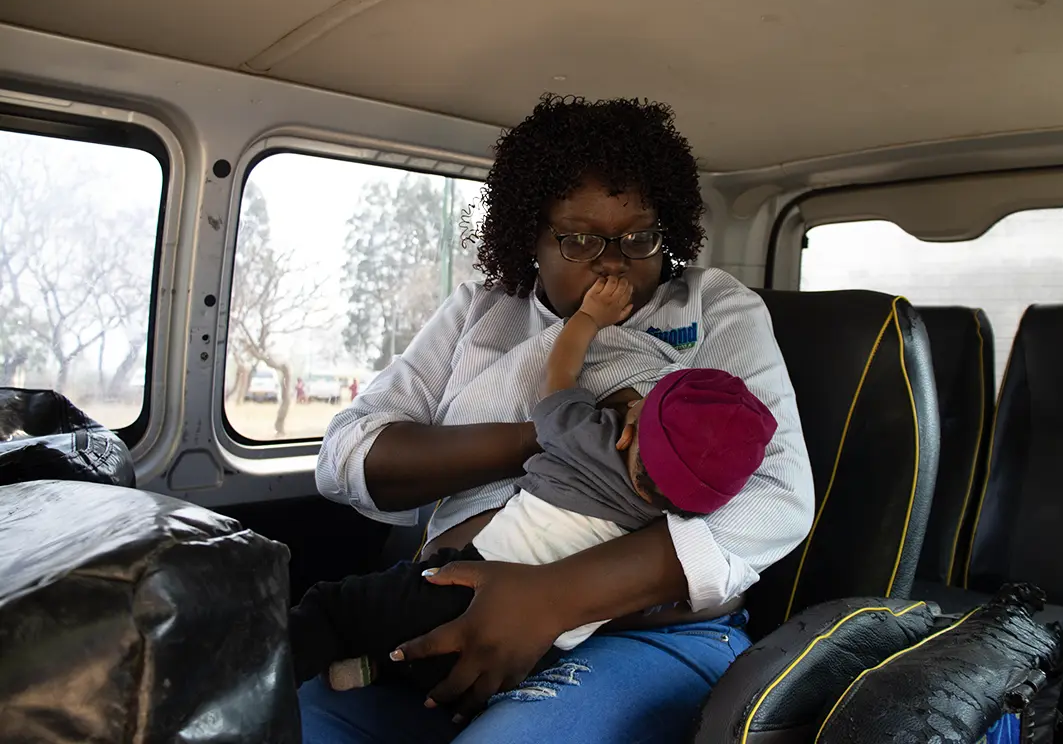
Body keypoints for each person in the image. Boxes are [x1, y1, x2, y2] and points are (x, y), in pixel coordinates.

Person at [304, 94, 815, 743]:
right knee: (276, 721)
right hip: (433, 614)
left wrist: (551, 598)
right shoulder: (479, 314)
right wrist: (555, 438)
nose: (612, 261)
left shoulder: (713, 308)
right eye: (578, 238)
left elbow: (778, 495)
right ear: (530, 240)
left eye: (639, 237)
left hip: (641, 633)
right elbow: (347, 456)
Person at [289, 274, 777, 694]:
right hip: (542, 646)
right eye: (578, 239)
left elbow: (561, 374)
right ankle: (376, 670)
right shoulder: (682, 515)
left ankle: (272, 662)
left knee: (339, 607)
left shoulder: (586, 438)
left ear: (628, 427)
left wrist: (588, 319)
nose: (610, 263)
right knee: (447, 669)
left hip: (464, 579)